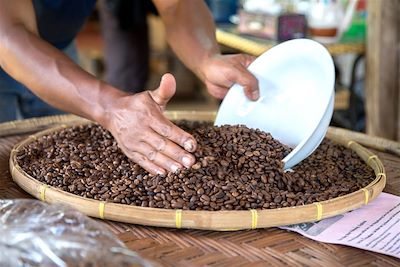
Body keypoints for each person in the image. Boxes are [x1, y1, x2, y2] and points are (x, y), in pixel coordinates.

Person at [0, 0, 259, 175]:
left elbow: (177, 5)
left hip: (55, 46)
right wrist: (110, 108)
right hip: (10, 37)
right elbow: (8, 33)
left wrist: (206, 58)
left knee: (47, 165)